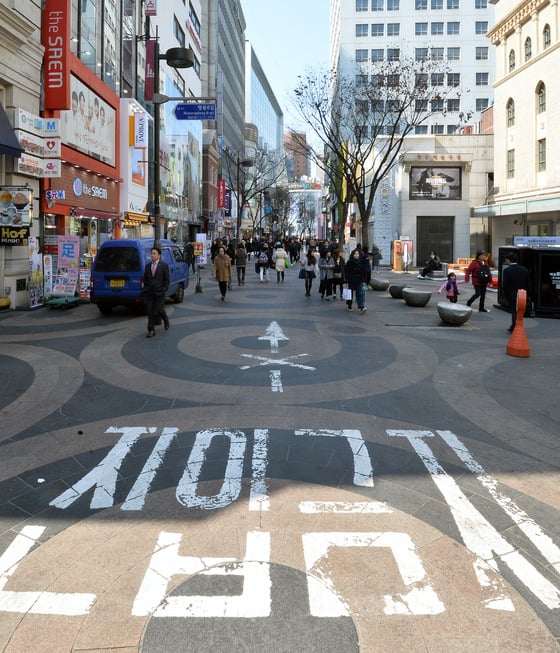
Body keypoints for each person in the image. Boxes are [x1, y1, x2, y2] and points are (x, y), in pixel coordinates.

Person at [143, 246, 170, 338]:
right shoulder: (147, 266)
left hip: (159, 292)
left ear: (159, 255)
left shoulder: (164, 266)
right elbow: (145, 279)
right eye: (152, 253)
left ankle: (165, 319)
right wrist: (145, 289)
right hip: (150, 292)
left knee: (159, 309)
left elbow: (167, 280)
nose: (152, 255)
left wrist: (164, 289)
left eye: (154, 253)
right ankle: (151, 329)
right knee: (150, 311)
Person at [502, 252, 530, 332]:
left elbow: (505, 285)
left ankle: (514, 326)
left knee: (514, 311)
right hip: (523, 294)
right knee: (520, 311)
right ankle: (517, 326)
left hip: (512, 294)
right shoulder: (524, 269)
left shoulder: (507, 271)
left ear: (508, 260)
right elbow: (528, 283)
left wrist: (507, 295)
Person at [344, 248, 368, 313]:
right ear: (353, 255)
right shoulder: (349, 262)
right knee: (350, 293)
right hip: (351, 280)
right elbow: (346, 272)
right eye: (355, 254)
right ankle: (349, 305)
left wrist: (363, 280)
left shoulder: (360, 262)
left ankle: (361, 307)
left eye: (358, 254)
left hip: (359, 280)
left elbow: (362, 272)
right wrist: (346, 280)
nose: (357, 255)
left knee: (360, 293)